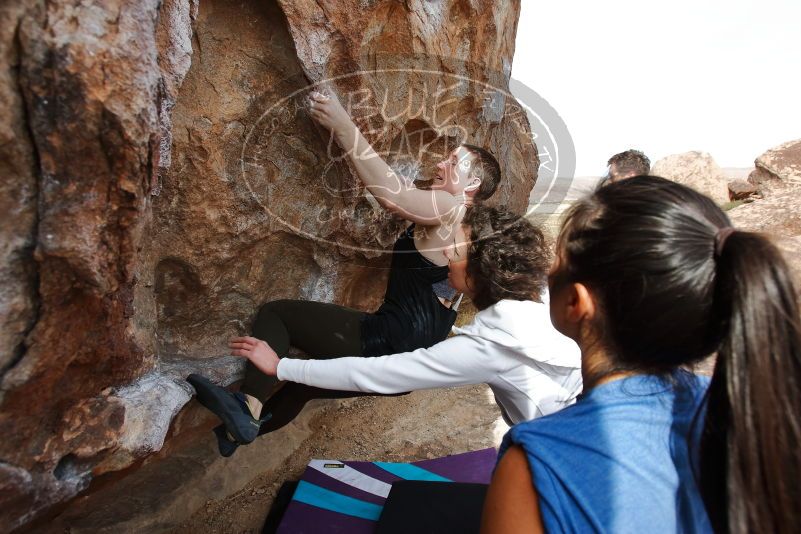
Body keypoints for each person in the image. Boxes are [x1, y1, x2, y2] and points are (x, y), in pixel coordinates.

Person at [188, 87, 503, 454]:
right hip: (411, 366)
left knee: (278, 315)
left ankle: (248, 407)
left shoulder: (451, 206)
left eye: (453, 161)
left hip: (387, 342)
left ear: (473, 184)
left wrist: (343, 124)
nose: (440, 164)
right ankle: (240, 432)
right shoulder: (472, 227)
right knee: (304, 386)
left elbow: (394, 197)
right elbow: (404, 196)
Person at [481, 176, 801, 533]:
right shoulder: (759, 417)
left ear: (576, 303)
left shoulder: (537, 463)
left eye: (557, 261)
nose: (549, 270)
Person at [228, 207, 582, 429]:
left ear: (480, 271)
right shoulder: (544, 302)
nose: (446, 250)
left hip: (557, 448)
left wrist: (281, 367)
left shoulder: (489, 348)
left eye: (455, 250)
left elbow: (380, 372)